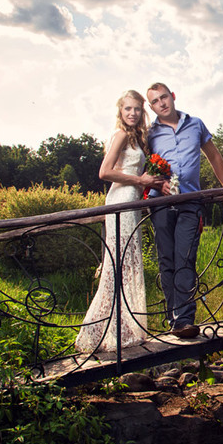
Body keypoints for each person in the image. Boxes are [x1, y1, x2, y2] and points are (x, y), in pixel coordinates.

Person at [146, 82, 223, 339]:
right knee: (167, 261)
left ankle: (184, 320)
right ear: (151, 106)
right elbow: (140, 170)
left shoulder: (195, 124)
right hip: (160, 203)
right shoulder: (149, 133)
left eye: (164, 97)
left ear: (173, 96)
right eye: (155, 101)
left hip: (190, 201)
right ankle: (173, 318)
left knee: (185, 258)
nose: (162, 103)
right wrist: (155, 181)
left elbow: (214, 156)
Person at [75, 90, 162, 353]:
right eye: (128, 109)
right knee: (118, 266)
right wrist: (140, 181)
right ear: (120, 111)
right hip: (121, 201)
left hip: (132, 203)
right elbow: (104, 172)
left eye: (137, 109)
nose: (133, 113)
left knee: (125, 266)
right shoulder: (122, 134)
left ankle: (122, 329)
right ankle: (99, 331)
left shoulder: (137, 137)